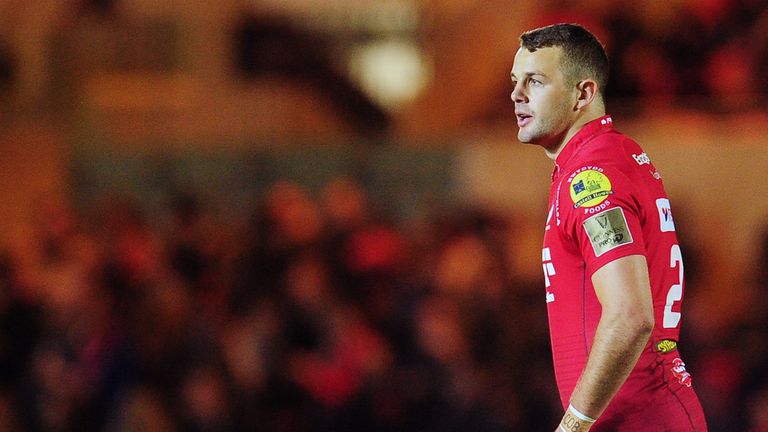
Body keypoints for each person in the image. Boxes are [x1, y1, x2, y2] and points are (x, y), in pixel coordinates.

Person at [509, 23, 707, 431]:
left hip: (640, 420)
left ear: (584, 93)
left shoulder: (591, 177)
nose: (517, 95)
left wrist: (573, 425)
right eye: (515, 81)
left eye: (535, 81)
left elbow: (630, 316)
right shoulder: (613, 155)